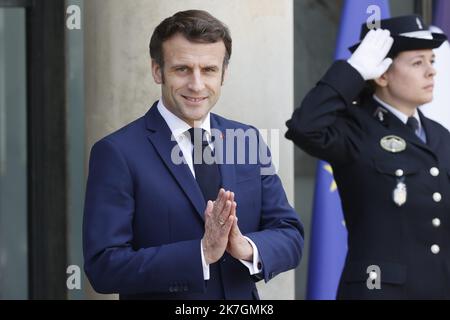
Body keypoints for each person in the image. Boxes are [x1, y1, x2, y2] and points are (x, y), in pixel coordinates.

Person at [83, 9, 304, 300]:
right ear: (157, 70)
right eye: (182, 69)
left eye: (209, 70)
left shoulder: (246, 139)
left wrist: (245, 246)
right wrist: (201, 253)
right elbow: (103, 266)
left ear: (224, 73)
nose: (197, 85)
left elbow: (290, 235)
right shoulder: (117, 153)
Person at [286, 15, 450, 299]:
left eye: (431, 61)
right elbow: (304, 128)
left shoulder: (439, 135)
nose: (431, 72)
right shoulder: (354, 128)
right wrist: (353, 72)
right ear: (382, 74)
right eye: (417, 62)